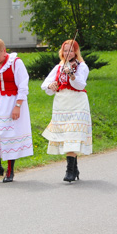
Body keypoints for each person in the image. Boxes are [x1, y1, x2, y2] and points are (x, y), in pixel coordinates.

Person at [0, 37, 33, 183]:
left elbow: (23, 85)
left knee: (8, 136)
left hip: (10, 103)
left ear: (4, 51)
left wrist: (18, 106)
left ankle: (10, 170)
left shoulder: (16, 62)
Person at [41, 39, 92, 182]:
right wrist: (51, 86)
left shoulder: (81, 67)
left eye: (70, 50)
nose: (67, 53)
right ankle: (74, 169)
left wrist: (72, 75)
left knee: (72, 135)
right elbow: (45, 85)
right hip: (62, 104)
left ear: (76, 52)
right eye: (65, 50)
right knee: (66, 136)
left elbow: (80, 84)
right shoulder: (59, 67)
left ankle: (69, 171)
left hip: (77, 103)